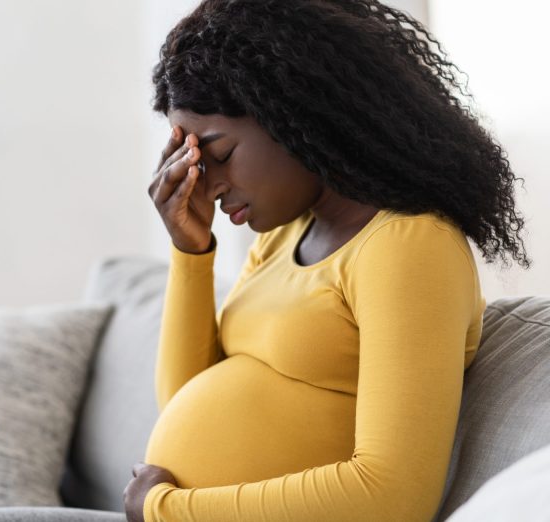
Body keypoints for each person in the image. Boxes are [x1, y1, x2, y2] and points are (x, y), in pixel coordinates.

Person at [122, 0, 530, 521]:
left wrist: (168, 511)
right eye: (192, 163)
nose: (210, 184)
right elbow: (182, 398)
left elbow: (392, 496)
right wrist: (190, 250)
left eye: (218, 155)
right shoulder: (283, 236)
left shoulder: (407, 246)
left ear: (296, 115)